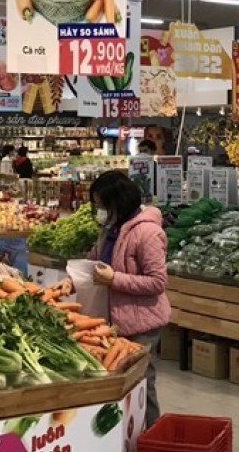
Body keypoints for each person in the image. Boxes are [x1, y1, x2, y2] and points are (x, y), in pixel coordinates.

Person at [87, 171, 170, 426]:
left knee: (142, 381)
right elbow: (94, 262)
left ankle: (153, 435)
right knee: (122, 384)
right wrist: (69, 281)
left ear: (117, 203)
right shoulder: (111, 229)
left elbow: (157, 282)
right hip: (116, 319)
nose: (100, 210)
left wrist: (114, 279)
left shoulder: (147, 233)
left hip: (143, 322)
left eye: (103, 205)